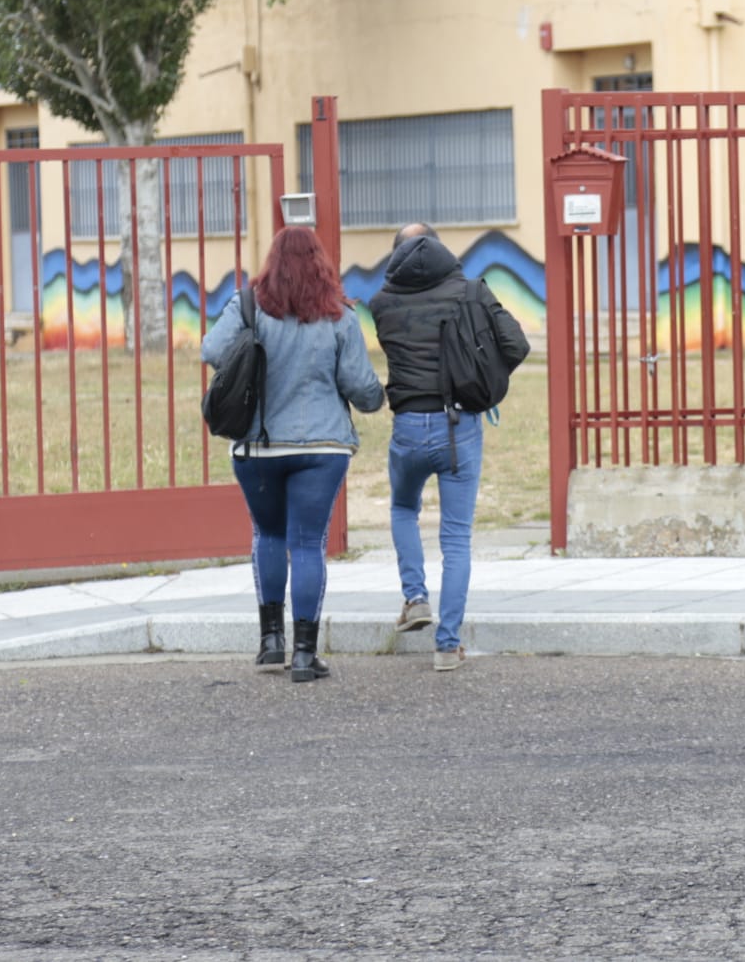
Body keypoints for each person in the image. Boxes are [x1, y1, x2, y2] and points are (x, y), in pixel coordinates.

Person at [202, 226, 385, 683]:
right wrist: (378, 396)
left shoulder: (248, 306)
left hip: (259, 445)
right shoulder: (339, 316)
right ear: (321, 264)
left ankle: (270, 644)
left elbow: (211, 350)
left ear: (272, 261)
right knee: (307, 543)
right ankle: (305, 655)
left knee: (268, 533)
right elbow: (362, 391)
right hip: (323, 448)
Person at [369, 223, 529, 671]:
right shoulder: (472, 291)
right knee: (456, 538)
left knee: (403, 508)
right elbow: (516, 344)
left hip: (407, 425)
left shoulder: (381, 304)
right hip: (458, 425)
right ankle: (447, 646)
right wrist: (481, 381)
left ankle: (415, 597)